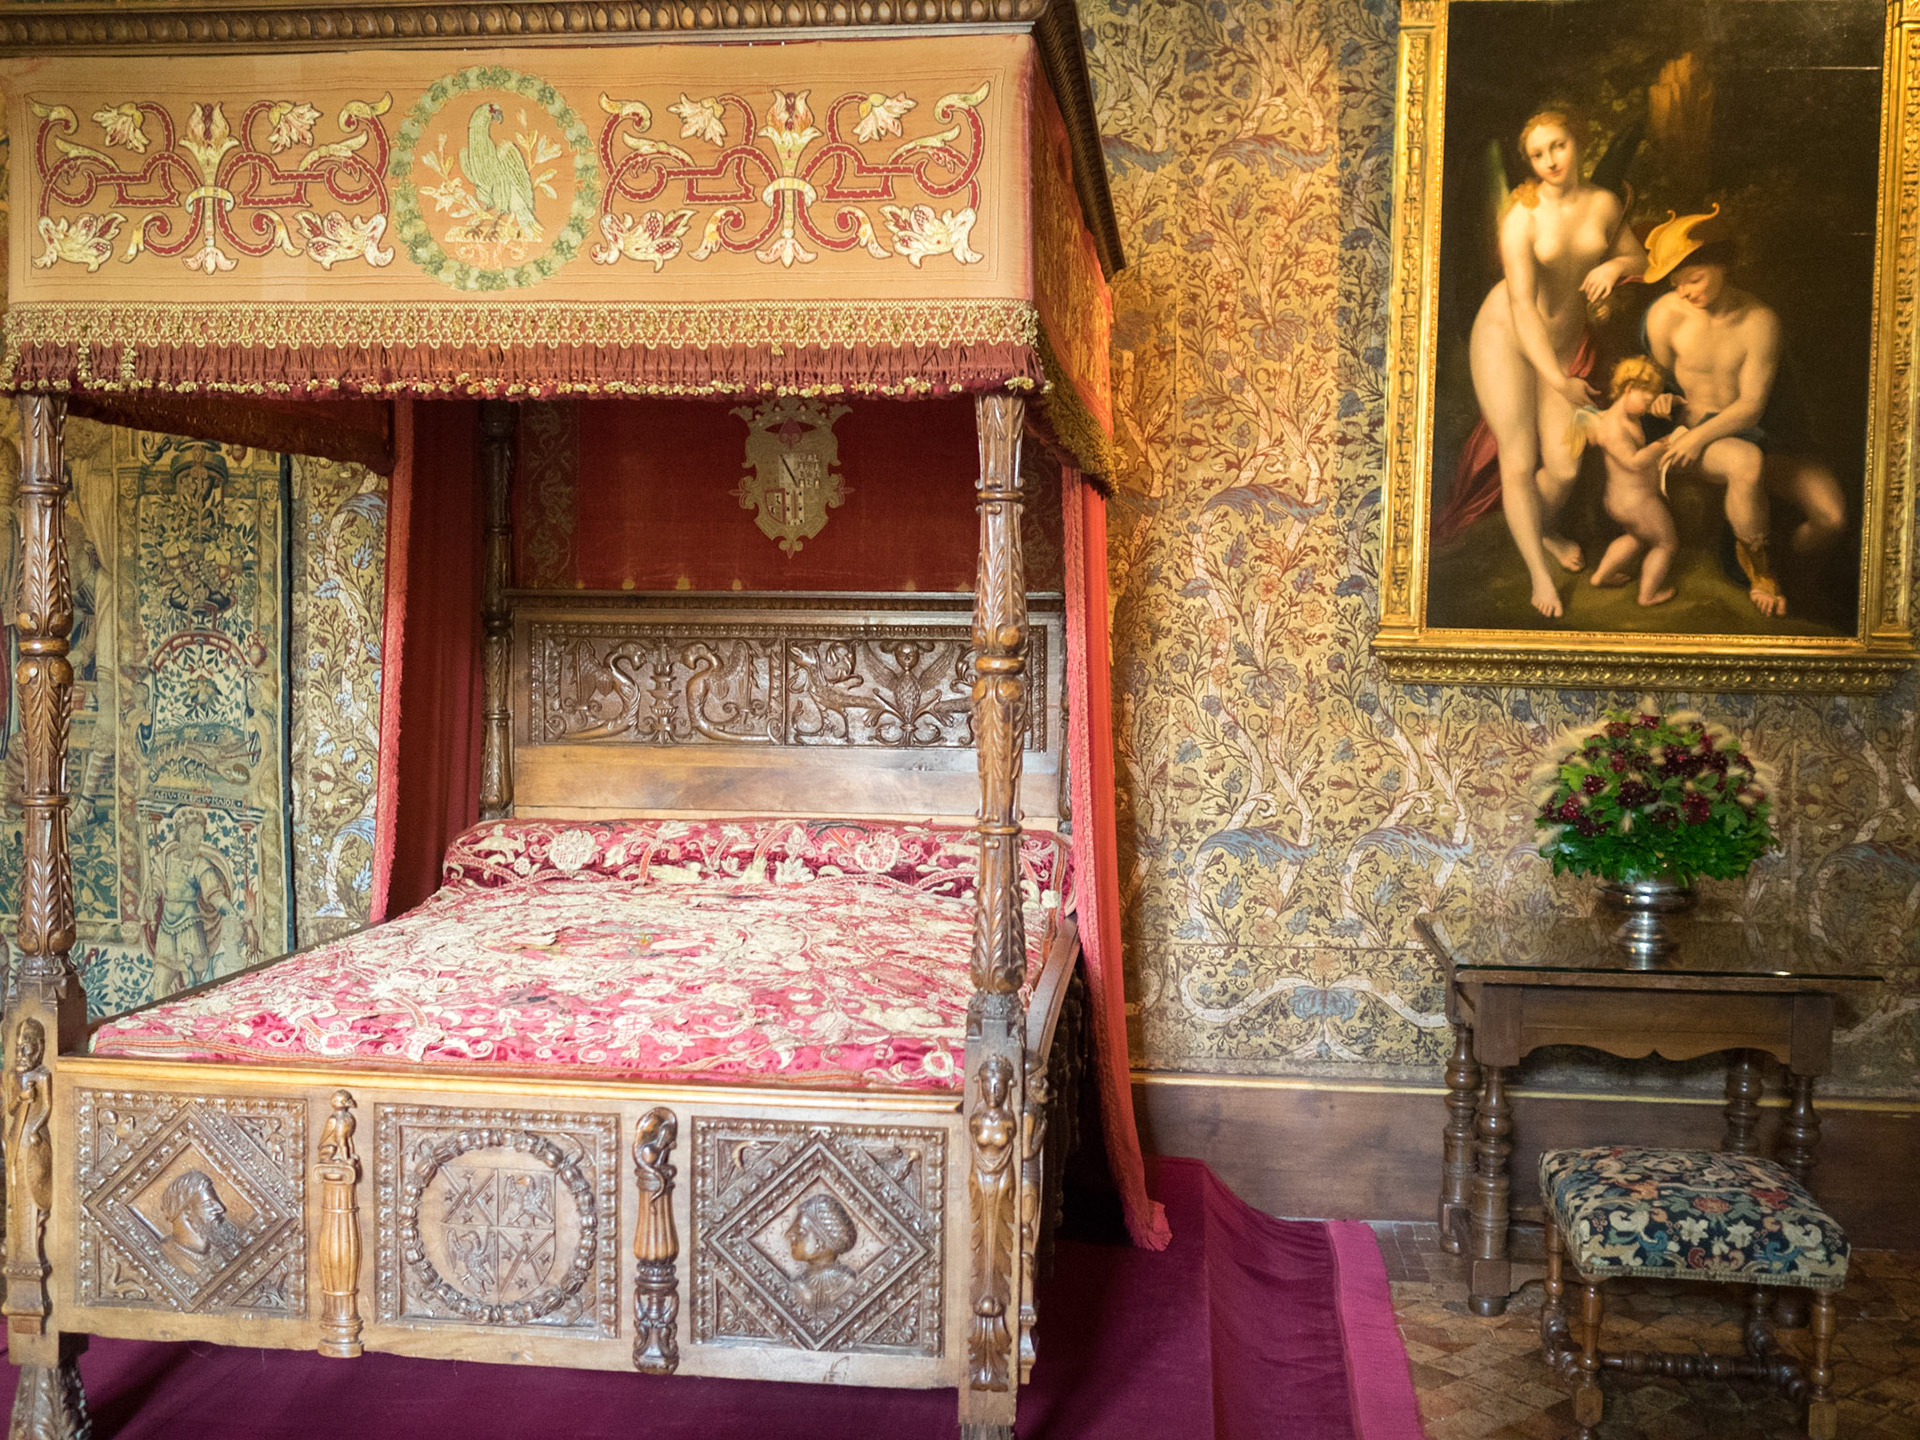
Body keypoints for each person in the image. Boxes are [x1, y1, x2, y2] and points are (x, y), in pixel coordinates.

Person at [1454, 108, 1650, 617]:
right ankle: (1539, 576)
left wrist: (1614, 265)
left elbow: (1641, 261)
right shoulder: (1522, 216)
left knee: (1563, 468)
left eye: (1558, 146)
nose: (1551, 160)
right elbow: (1522, 307)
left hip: (1563, 343)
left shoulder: (1604, 204)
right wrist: (1558, 381)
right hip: (1506, 339)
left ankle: (1542, 529)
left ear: (1577, 141)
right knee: (1519, 460)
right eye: (1538, 154)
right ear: (1531, 162)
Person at [1642, 206, 1847, 617]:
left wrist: (1702, 435)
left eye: (1694, 279)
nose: (1684, 292)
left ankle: (1787, 570)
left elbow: (1752, 407)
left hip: (1754, 432)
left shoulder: (1760, 322)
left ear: (1723, 265)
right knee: (1745, 462)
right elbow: (1649, 383)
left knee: (1832, 516)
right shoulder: (1665, 315)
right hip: (1689, 437)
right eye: (1676, 283)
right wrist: (1659, 401)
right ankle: (1761, 573)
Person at [1573, 357, 1685, 607]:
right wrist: (1661, 445)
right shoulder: (1613, 427)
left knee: (1636, 537)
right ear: (1629, 389)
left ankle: (1602, 576)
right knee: (1666, 544)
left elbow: (1647, 410)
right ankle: (1647, 595)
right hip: (1637, 503)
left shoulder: (1626, 415)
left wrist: (1675, 402)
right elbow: (1633, 462)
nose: (1648, 407)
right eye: (1647, 400)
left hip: (1623, 501)